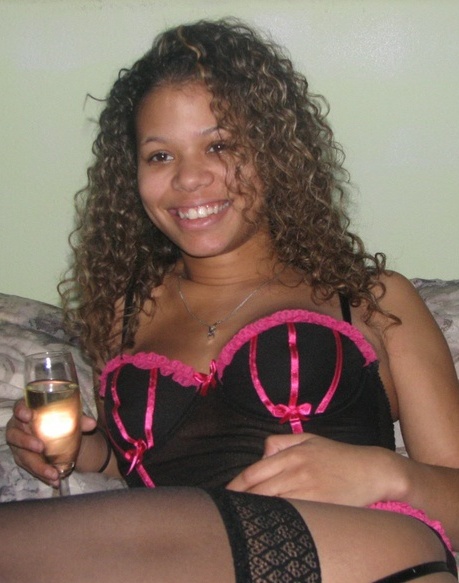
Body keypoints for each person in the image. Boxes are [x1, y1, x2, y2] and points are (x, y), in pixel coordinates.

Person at [3, 18, 459, 583]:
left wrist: (386, 473)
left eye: (219, 145)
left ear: (273, 154)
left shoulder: (370, 299)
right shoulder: (125, 313)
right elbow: (163, 469)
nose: (189, 179)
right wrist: (84, 450)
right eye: (160, 156)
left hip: (364, 556)